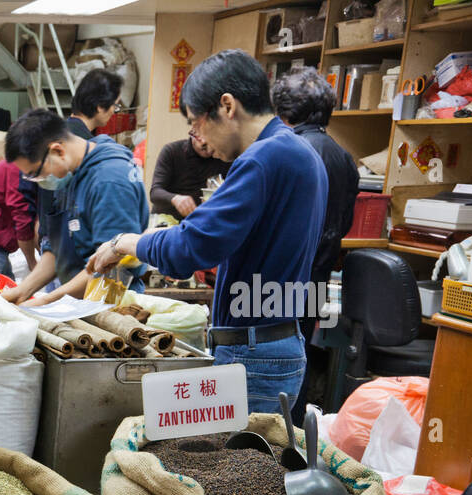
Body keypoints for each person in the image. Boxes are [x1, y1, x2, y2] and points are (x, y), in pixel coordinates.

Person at [85, 49, 328, 413]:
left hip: (255, 350)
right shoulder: (300, 151)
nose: (198, 137)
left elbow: (188, 249)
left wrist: (123, 243)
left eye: (196, 123)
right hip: (275, 340)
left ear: (227, 106)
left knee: (242, 464)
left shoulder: (263, 158)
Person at [272, 66, 360, 420]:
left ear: (285, 112)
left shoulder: (290, 152)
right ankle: (292, 443)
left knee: (273, 363)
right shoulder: (343, 157)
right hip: (317, 278)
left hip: (279, 280)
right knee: (300, 356)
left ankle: (266, 447)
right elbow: (346, 223)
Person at [0, 108, 148, 305]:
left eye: (36, 172)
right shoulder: (70, 173)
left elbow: (110, 267)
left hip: (111, 305)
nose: (39, 180)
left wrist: (45, 303)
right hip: (76, 301)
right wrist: (21, 292)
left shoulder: (108, 182)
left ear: (58, 151)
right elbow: (57, 248)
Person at [149, 131, 230, 217]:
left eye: (213, 147)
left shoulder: (223, 158)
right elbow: (155, 192)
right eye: (204, 147)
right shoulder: (172, 151)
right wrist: (175, 199)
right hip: (167, 221)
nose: (209, 151)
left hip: (202, 221)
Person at [68, 68, 124, 138]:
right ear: (100, 106)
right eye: (115, 105)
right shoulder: (83, 144)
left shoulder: (64, 129)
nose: (113, 112)